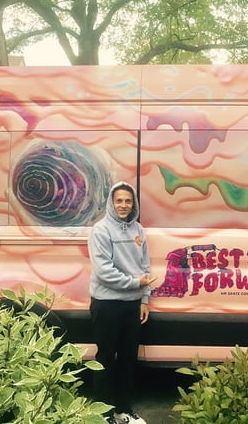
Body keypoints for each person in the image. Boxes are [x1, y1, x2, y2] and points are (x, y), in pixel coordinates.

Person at [88, 181, 156, 424]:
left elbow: (145, 267)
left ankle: (123, 410)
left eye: (128, 201)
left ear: (133, 203)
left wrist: (144, 299)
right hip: (107, 305)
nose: (124, 205)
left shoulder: (138, 229)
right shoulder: (101, 230)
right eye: (119, 201)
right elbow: (104, 272)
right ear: (111, 203)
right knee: (106, 360)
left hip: (132, 305)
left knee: (128, 360)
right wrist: (136, 282)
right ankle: (102, 414)